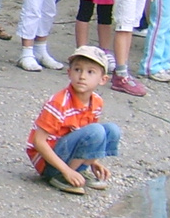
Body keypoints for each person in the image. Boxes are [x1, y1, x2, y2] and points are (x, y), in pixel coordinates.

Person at [26, 45, 120, 195]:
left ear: (103, 80)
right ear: (69, 73)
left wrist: (94, 161)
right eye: (77, 70)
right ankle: (61, 175)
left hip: (67, 150)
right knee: (96, 130)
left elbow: (87, 136)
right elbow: (39, 141)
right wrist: (66, 170)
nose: (82, 76)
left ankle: (80, 169)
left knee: (111, 130)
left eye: (90, 72)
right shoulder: (59, 102)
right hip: (49, 161)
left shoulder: (97, 101)